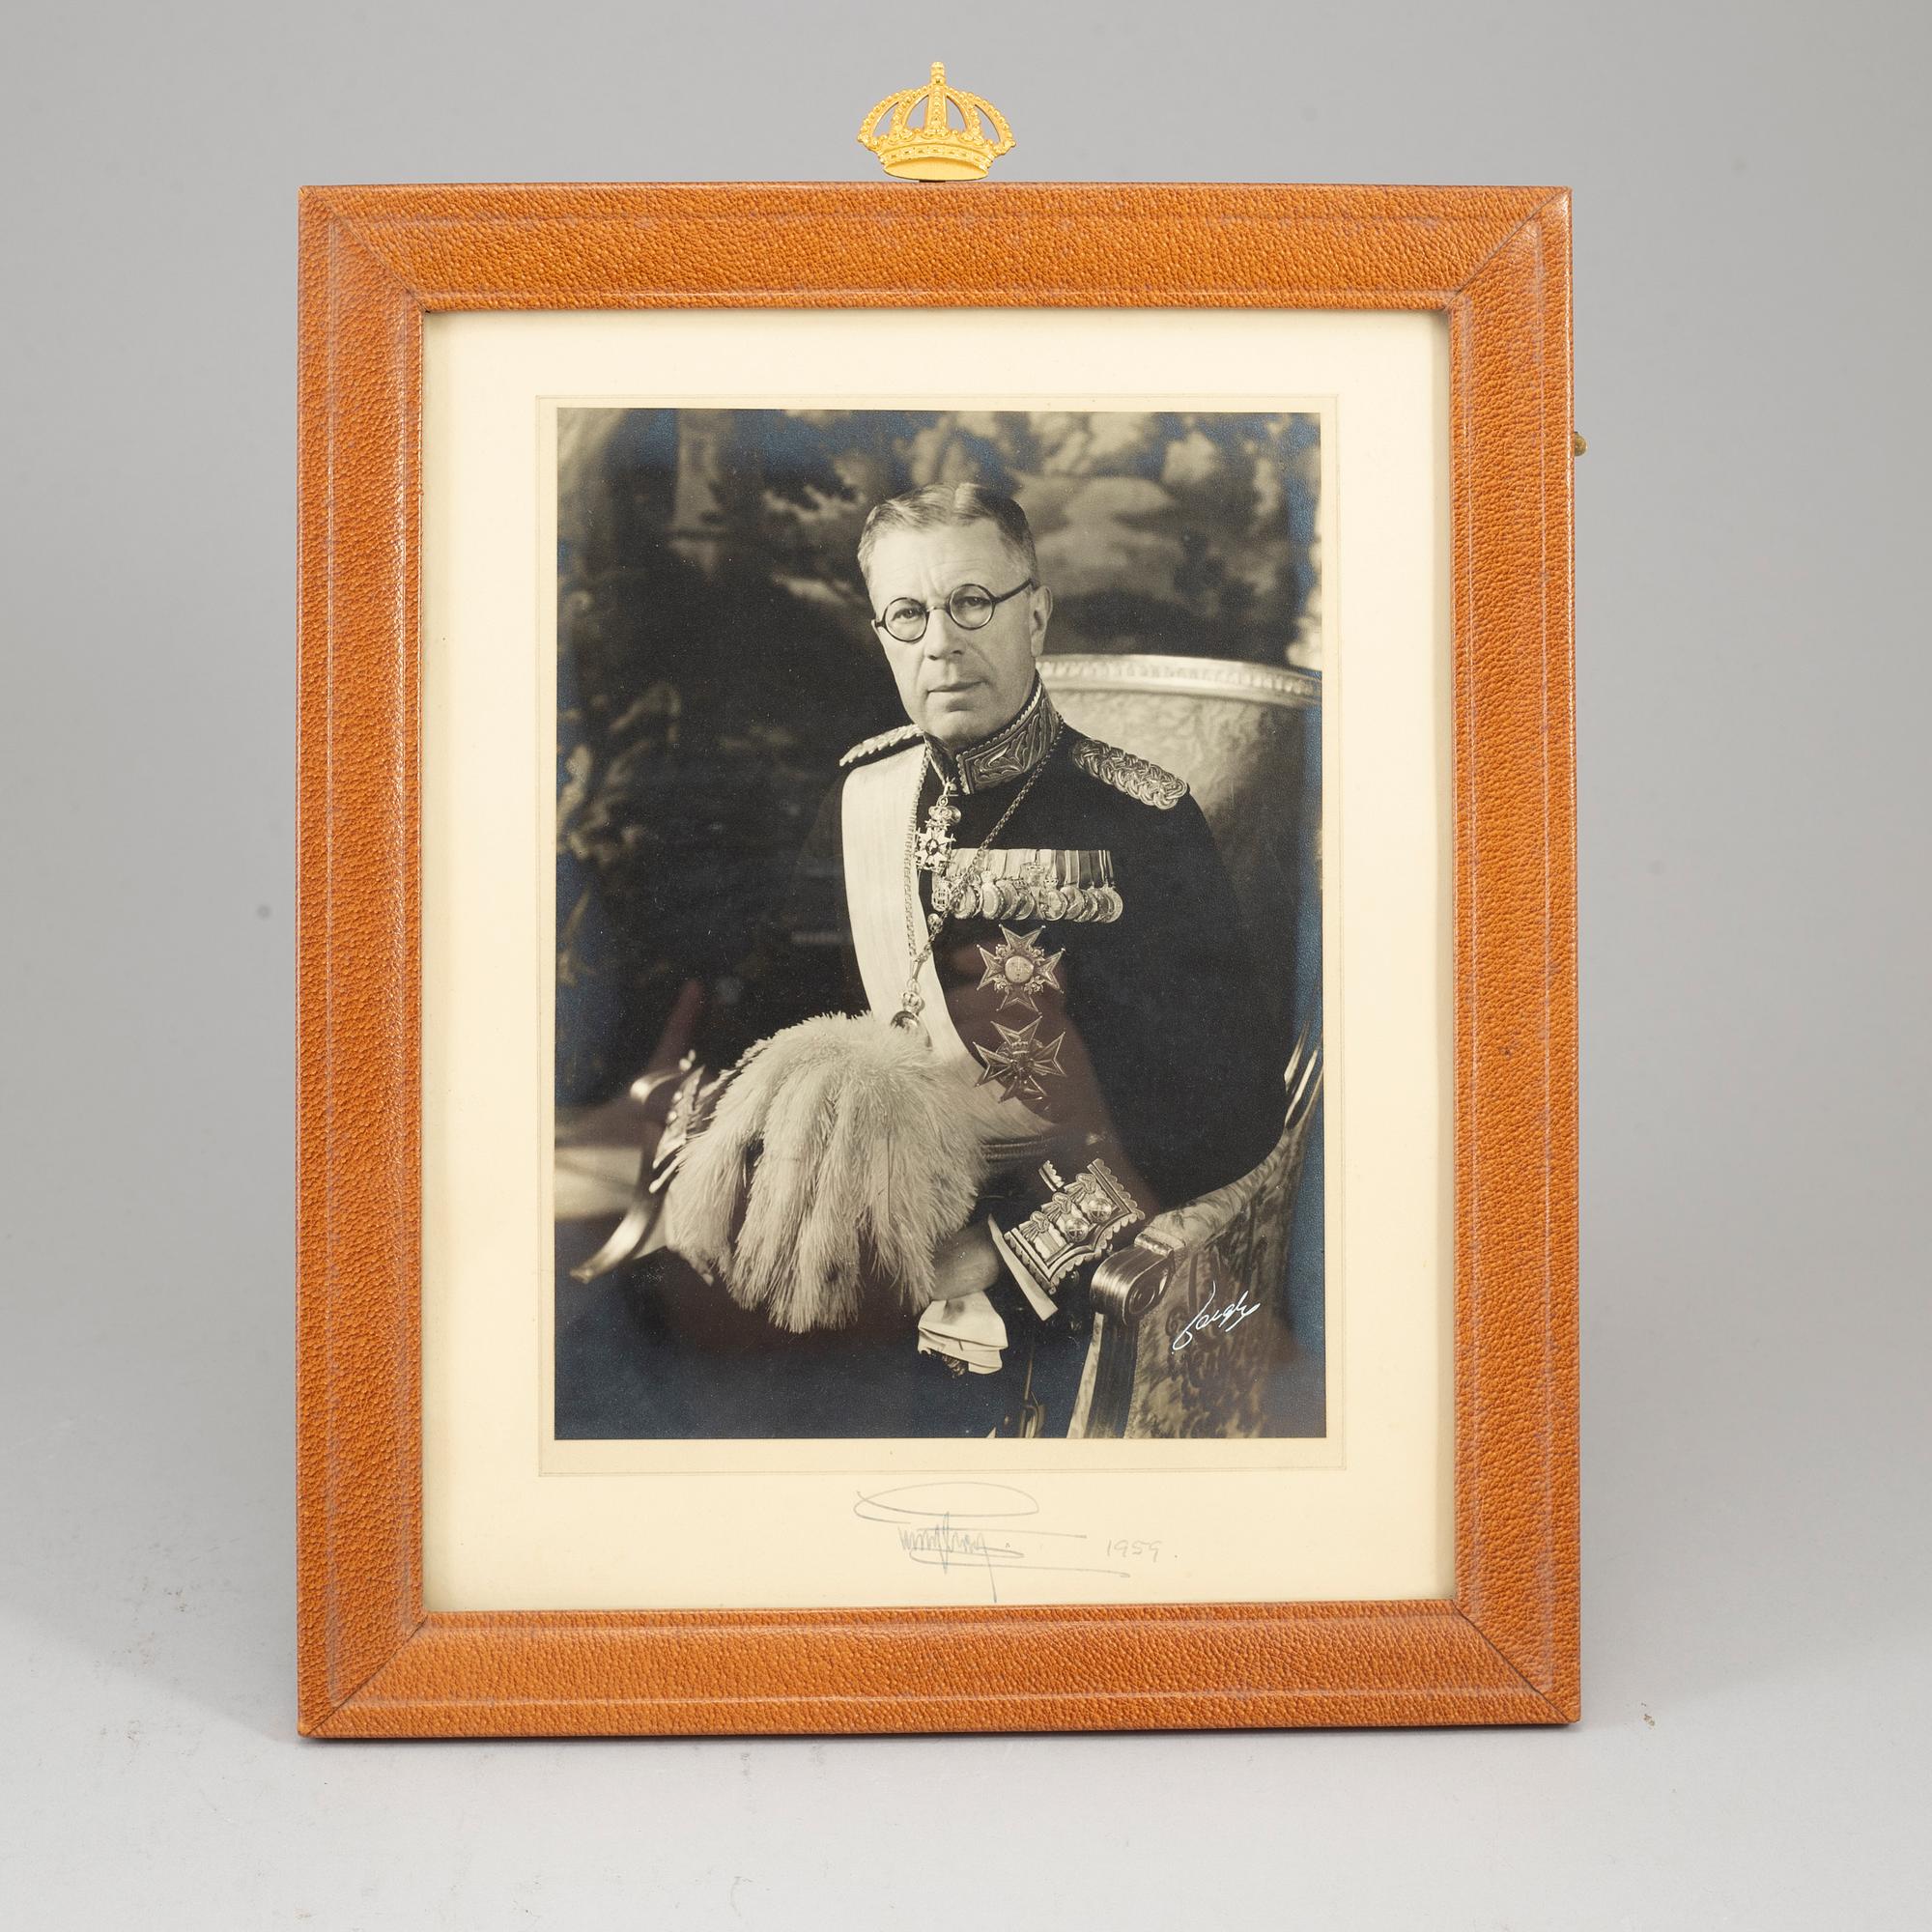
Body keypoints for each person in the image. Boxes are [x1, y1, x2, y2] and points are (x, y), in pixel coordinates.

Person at [556, 483, 1285, 1439]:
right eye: (907, 614)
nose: (940, 642)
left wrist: (1006, 1250)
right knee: (612, 1342)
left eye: (971, 602)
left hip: (1026, 1247)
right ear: (881, 632)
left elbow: (1222, 1105)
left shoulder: (1138, 821)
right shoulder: (863, 793)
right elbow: (778, 1007)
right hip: (842, 1219)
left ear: (1035, 613)